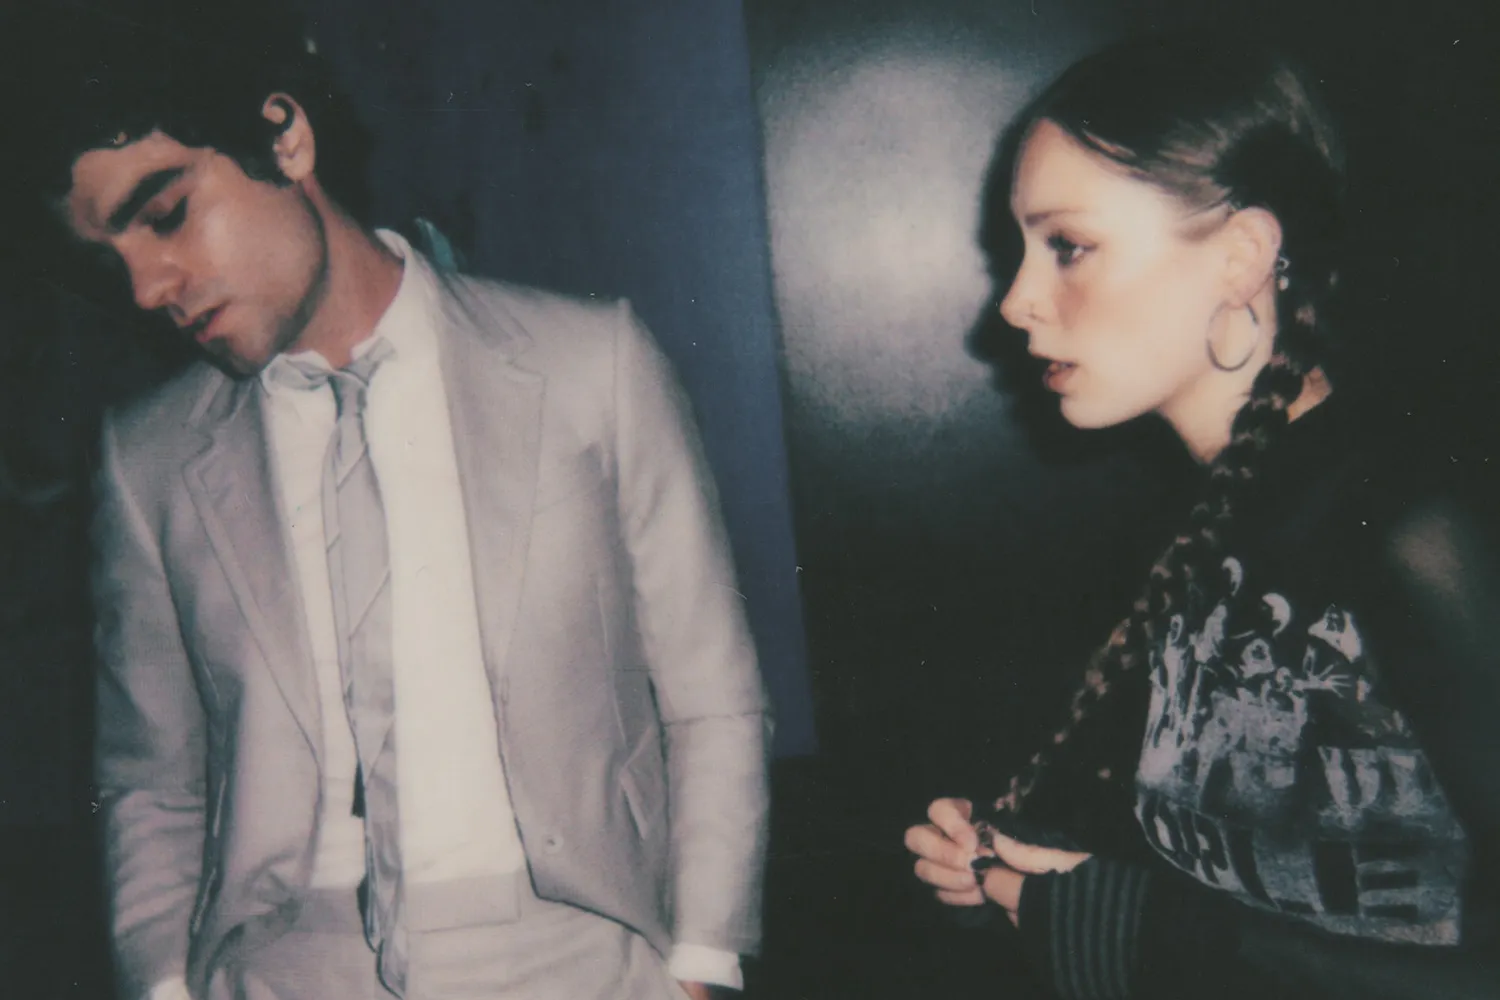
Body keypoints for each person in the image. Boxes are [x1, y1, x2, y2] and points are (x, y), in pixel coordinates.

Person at [41, 3, 771, 998]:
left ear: (286, 138)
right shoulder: (148, 458)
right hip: (283, 968)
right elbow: (149, 776)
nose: (146, 286)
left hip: (578, 955)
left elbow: (709, 691)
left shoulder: (590, 366)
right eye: (111, 257)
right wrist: (165, 988)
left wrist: (701, 963)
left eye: (166, 214)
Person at [905, 33, 1500, 1000]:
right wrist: (1024, 879)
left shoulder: (1419, 527)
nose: (1015, 302)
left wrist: (1135, 931)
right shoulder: (1184, 528)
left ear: (1241, 255)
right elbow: (1222, 884)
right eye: (1024, 249)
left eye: (1068, 247)